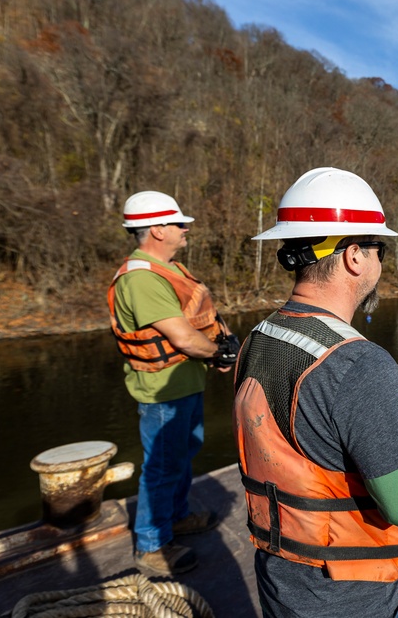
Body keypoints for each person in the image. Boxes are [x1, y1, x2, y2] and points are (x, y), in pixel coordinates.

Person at [233, 167, 398, 617]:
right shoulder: (358, 366)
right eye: (380, 250)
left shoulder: (259, 338)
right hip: (353, 598)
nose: (380, 263)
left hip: (283, 583)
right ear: (355, 256)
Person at [107, 191, 239, 575]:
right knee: (163, 465)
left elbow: (198, 318)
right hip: (163, 391)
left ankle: (176, 517)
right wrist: (218, 353)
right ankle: (151, 545)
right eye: (180, 224)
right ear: (159, 229)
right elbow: (182, 338)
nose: (185, 230)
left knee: (183, 453)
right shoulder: (141, 279)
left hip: (184, 383)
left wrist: (222, 341)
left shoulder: (169, 270)